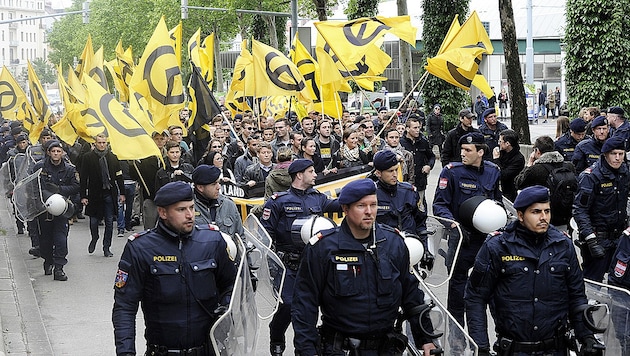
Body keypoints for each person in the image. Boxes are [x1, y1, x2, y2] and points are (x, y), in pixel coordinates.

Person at [292, 178, 437, 356]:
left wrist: (426, 339)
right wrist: (307, 350)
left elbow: (411, 295)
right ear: (345, 209)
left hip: (386, 347)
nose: (369, 212)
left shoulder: (393, 243)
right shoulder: (323, 248)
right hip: (340, 348)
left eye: (373, 205)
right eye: (361, 206)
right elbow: (304, 303)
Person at [465, 185, 604, 356]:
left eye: (547, 211)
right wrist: (481, 347)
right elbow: (475, 298)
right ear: (521, 215)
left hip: (556, 348)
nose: (544, 217)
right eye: (536, 212)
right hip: (515, 348)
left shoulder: (563, 245)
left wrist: (586, 337)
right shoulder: (497, 247)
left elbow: (577, 296)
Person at [112, 181, 236, 356]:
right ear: (162, 212)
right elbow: (125, 306)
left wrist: (226, 307)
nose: (190, 215)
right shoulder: (140, 248)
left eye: (192, 208)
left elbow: (232, 285)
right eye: (181, 210)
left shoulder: (212, 241)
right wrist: (126, 353)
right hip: (163, 350)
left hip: (208, 350)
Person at [260, 158, 341, 356]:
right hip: (287, 264)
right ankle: (277, 333)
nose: (315, 175)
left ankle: (304, 348)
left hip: (313, 263)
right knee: (288, 304)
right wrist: (271, 264)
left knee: (307, 308)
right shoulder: (279, 201)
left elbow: (338, 205)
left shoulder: (317, 198)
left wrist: (358, 194)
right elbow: (265, 234)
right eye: (311, 171)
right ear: (299, 175)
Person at [432, 132, 501, 331]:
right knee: (457, 290)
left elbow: (497, 202)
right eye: (462, 149)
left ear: (480, 152)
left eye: (468, 150)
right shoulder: (451, 171)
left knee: (491, 288)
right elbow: (439, 205)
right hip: (461, 238)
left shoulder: (493, 171)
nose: (463, 153)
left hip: (486, 240)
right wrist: (453, 226)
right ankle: (456, 337)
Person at [573, 135, 630, 282]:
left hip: (619, 237)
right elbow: (580, 209)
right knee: (593, 282)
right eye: (613, 154)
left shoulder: (624, 172)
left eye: (621, 154)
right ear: (605, 154)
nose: (617, 158)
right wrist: (590, 239)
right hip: (598, 238)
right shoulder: (591, 177)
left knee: (619, 281)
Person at [32, 140, 79, 281]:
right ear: (49, 152)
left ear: (63, 152)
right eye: (53, 151)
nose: (56, 154)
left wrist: (60, 190)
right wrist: (47, 194)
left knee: (61, 239)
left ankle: (59, 268)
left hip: (62, 209)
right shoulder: (40, 167)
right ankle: (48, 260)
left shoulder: (70, 169)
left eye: (58, 151)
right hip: (44, 210)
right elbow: (34, 186)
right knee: (45, 240)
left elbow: (76, 187)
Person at [515, 135, 577, 228]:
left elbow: (518, 182)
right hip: (566, 215)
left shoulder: (536, 169)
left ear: (537, 151)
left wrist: (529, 164)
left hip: (544, 216)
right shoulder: (569, 166)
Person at [80, 134, 126, 257]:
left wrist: (122, 193)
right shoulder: (88, 157)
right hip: (94, 195)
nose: (101, 145)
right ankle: (94, 238)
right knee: (94, 221)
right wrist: (83, 196)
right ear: (95, 143)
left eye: (103, 142)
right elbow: (84, 178)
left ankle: (107, 247)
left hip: (109, 193)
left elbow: (119, 176)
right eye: (99, 142)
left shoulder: (113, 158)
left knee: (110, 222)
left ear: (107, 143)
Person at [372, 150, 429, 240]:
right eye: (390, 171)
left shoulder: (409, 191)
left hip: (411, 244)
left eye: (396, 169)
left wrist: (424, 247)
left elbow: (421, 222)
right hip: (385, 246)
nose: (395, 174)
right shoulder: (371, 195)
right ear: (378, 173)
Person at [191, 165, 244, 237]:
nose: (219, 187)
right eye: (214, 184)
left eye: (218, 182)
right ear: (200, 187)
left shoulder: (229, 205)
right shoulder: (188, 207)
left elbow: (241, 237)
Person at [492, 129, 525, 202]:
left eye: (500, 141)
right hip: (503, 189)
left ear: (507, 143)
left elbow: (503, 175)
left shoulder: (518, 159)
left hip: (512, 192)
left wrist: (496, 160)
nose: (498, 143)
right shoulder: (502, 153)